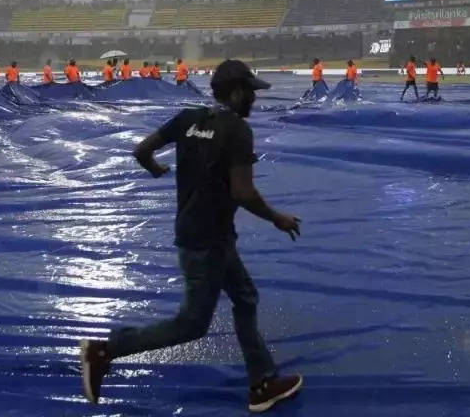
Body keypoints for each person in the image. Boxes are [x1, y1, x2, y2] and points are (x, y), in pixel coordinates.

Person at [79, 59, 303, 412]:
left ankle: (262, 382)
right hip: (208, 242)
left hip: (200, 232)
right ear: (236, 91)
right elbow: (243, 192)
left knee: (245, 297)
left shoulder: (187, 118)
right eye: (251, 93)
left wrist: (157, 169)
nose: (254, 101)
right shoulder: (237, 131)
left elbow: (141, 151)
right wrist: (278, 218)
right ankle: (107, 349)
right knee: (192, 324)